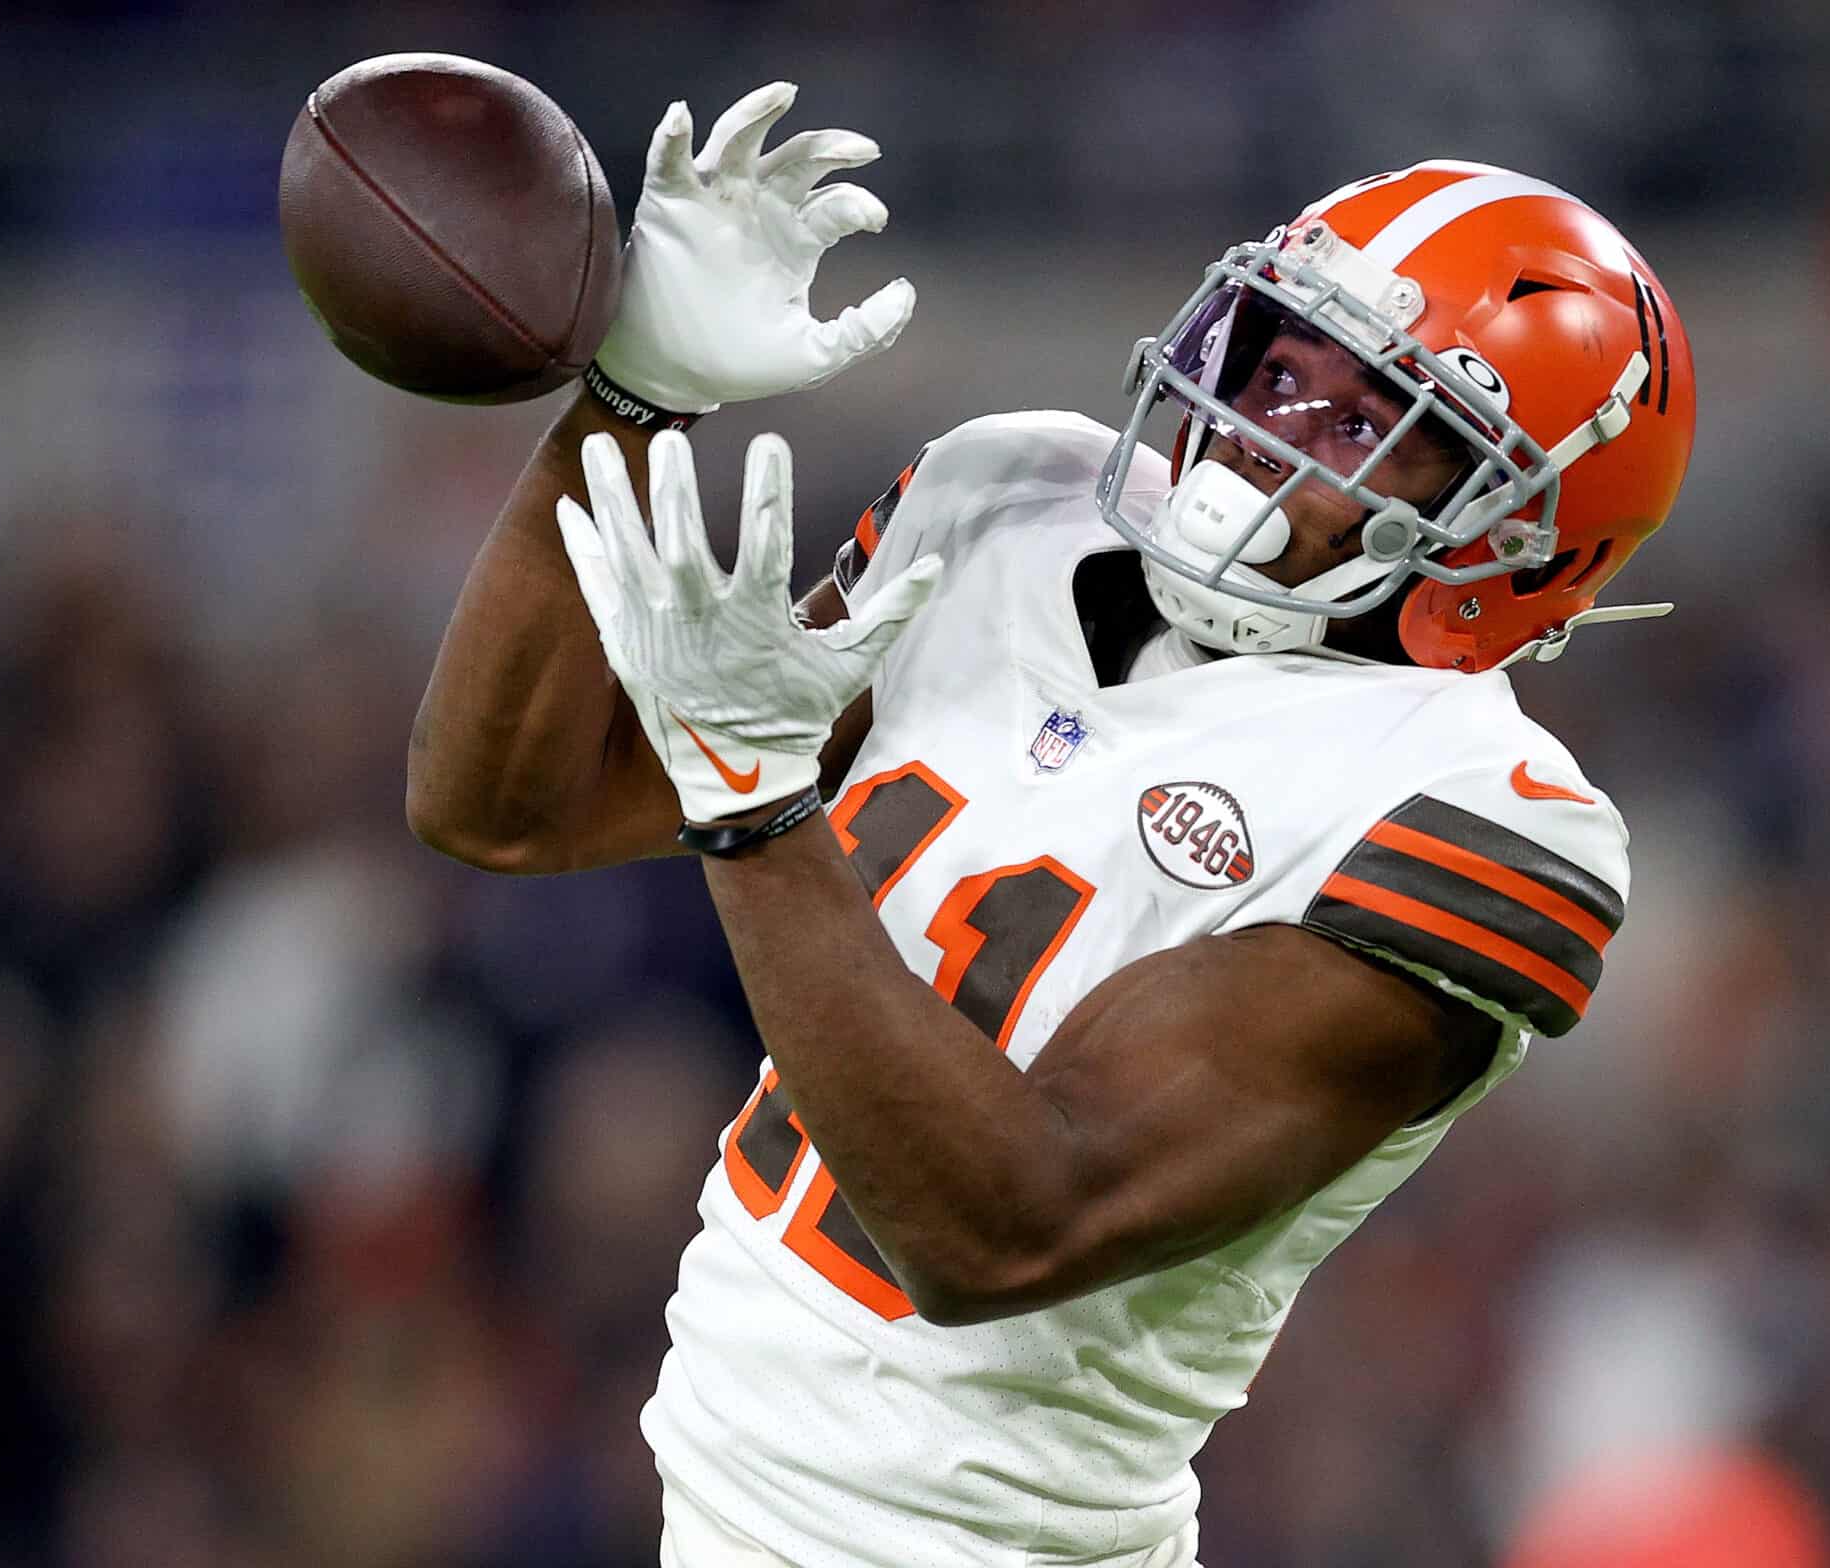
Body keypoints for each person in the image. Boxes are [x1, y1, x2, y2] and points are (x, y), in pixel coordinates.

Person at [407, 80, 1696, 1568]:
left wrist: (757, 804)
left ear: (1514, 538)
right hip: (714, 1495)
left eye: (1372, 424)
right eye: (1281, 368)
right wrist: (631, 394)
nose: (1268, 434)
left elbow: (998, 1229)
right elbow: (506, 803)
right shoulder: (1014, 498)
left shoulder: (1472, 816)